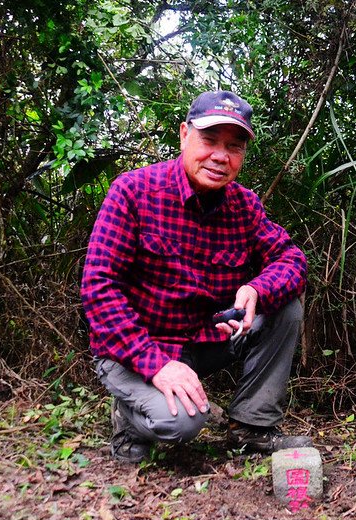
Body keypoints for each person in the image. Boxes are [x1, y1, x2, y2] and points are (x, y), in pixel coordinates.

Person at [81, 90, 311, 463]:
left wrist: (256, 289)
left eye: (234, 147)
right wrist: (155, 364)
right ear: (184, 134)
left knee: (285, 305)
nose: (221, 157)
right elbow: (99, 289)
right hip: (136, 349)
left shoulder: (244, 205)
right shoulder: (133, 192)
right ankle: (127, 418)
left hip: (205, 341)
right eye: (209, 141)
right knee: (184, 424)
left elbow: (292, 260)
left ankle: (251, 426)